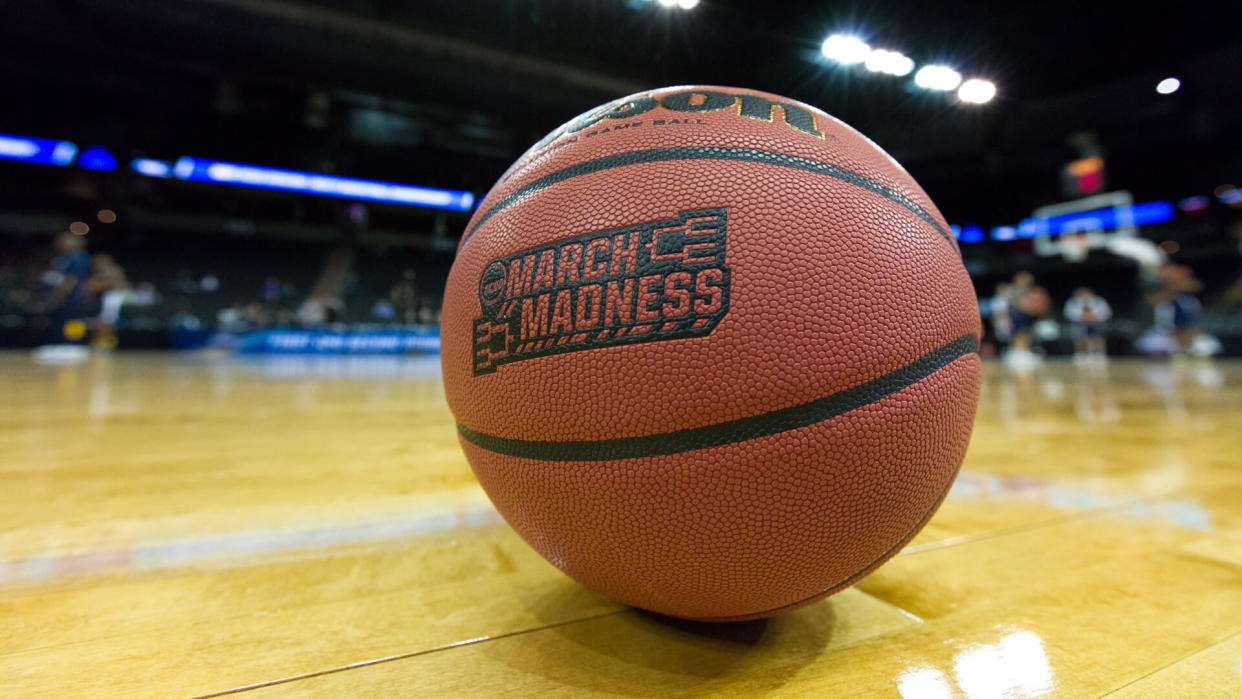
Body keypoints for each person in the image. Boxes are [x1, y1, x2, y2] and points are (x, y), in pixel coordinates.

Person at [42, 233, 92, 345]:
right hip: (62, 299)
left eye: (65, 241)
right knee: (59, 324)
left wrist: (59, 296)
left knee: (71, 322)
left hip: (72, 300)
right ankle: (60, 343)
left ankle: (74, 344)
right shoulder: (63, 258)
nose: (61, 243)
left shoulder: (78, 258)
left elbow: (70, 280)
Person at [1151, 264, 1205, 359]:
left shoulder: (1189, 301)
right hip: (1164, 334)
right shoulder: (1163, 300)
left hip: (1186, 333)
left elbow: (1197, 286)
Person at [1005, 271, 1050, 367]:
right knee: (1019, 335)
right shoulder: (1014, 291)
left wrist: (1032, 309)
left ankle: (1025, 353)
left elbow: (1040, 307)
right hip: (1018, 315)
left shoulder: (1032, 291)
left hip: (1028, 316)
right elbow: (1017, 305)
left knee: (1026, 335)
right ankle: (1017, 354)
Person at [86, 253, 129, 350]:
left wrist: (101, 283)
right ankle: (101, 343)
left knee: (106, 321)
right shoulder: (98, 273)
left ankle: (107, 344)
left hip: (116, 298)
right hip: (106, 299)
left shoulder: (114, 270)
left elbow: (101, 286)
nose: (96, 265)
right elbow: (92, 288)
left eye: (98, 263)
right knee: (99, 322)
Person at [1063, 287, 1112, 365]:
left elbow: (1106, 312)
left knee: (1097, 338)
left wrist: (1095, 317)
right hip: (1079, 323)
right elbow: (1069, 313)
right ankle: (1081, 355)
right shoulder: (1072, 302)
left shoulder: (1099, 301)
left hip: (1096, 322)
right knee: (1080, 339)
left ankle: (1098, 354)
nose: (1084, 296)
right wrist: (1082, 317)